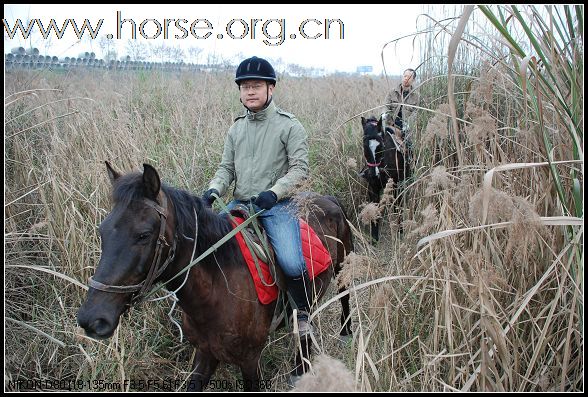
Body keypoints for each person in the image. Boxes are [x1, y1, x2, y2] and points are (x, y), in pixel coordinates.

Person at [202, 56, 314, 337]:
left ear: (270, 89)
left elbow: (300, 168)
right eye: (245, 86)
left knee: (290, 260)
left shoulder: (289, 126)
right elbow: (226, 168)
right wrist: (214, 189)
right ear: (240, 92)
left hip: (277, 206)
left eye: (256, 86)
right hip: (240, 204)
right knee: (207, 245)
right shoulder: (236, 128)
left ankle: (302, 315)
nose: (250, 91)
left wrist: (274, 193)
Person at [384, 68, 419, 147]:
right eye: (405, 76)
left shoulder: (416, 96)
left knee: (410, 146)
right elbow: (385, 107)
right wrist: (386, 116)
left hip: (406, 128)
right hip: (391, 124)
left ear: (413, 80)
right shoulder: (392, 92)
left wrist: (408, 124)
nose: (406, 78)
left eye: (409, 77)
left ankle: (410, 158)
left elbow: (415, 112)